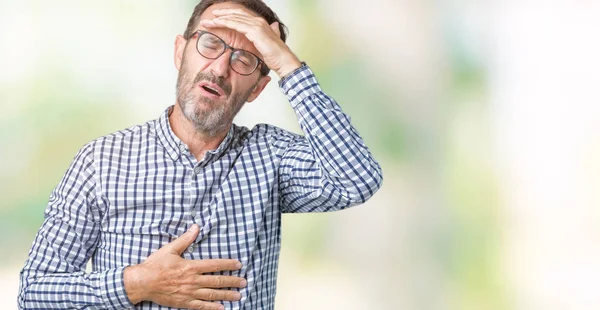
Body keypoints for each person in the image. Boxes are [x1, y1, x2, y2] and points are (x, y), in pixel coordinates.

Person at [18, 0, 383, 309]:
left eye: (246, 60)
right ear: (180, 51)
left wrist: (287, 64)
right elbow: (35, 291)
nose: (220, 68)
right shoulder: (101, 160)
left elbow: (357, 179)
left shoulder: (272, 157)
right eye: (210, 44)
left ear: (257, 88)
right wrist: (137, 283)